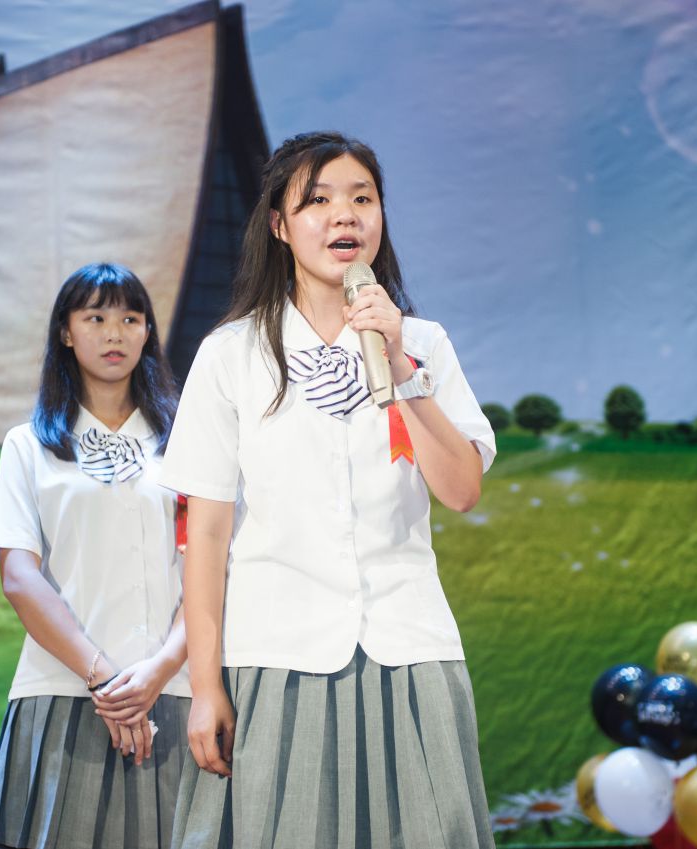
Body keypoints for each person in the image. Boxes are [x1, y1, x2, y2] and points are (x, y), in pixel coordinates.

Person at [160, 131, 497, 848]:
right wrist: (205, 686)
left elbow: (462, 490)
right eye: (317, 200)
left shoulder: (423, 344)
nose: (345, 215)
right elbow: (206, 536)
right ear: (279, 226)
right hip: (276, 656)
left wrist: (401, 367)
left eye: (362, 199)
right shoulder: (231, 354)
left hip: (408, 646)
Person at [0, 263, 190, 849]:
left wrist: (156, 671)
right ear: (65, 332)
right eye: (95, 318)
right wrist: (106, 680)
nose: (114, 332)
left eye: (130, 318)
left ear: (148, 332)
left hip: (175, 691)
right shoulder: (29, 446)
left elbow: (210, 572)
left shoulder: (188, 442)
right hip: (65, 691)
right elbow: (19, 578)